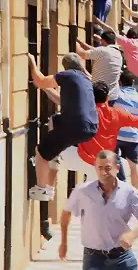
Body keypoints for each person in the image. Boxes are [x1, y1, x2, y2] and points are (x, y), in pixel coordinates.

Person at [27, 53, 98, 201]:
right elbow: (61, 100)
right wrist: (46, 89)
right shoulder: (85, 79)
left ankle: (41, 189)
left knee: (40, 153)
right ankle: (54, 159)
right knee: (56, 120)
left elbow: (40, 80)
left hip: (73, 126)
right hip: (89, 127)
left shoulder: (68, 75)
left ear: (65, 66)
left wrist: (32, 62)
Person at [113, 71, 138, 189]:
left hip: (116, 135)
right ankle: (135, 193)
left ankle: (121, 186)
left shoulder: (116, 95)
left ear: (120, 82)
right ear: (133, 83)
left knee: (114, 160)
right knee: (133, 165)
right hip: (132, 136)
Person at [76, 30, 123, 104]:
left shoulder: (102, 51)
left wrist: (75, 41)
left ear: (102, 40)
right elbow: (95, 51)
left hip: (99, 95)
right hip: (112, 96)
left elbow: (82, 54)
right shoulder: (117, 53)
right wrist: (82, 43)